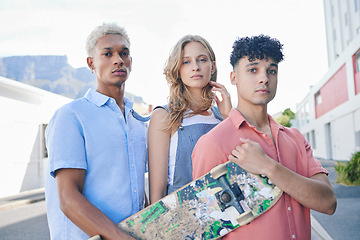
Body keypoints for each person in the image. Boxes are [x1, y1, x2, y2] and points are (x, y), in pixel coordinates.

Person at [192, 34, 337, 240]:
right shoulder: (213, 143)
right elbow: (204, 229)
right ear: (233, 77)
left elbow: (328, 203)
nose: (264, 78)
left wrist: (268, 167)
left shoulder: (294, 138)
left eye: (271, 71)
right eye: (253, 69)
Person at [45, 23, 148, 240]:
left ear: (131, 62)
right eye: (107, 54)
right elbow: (68, 198)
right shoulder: (71, 116)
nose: (118, 59)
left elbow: (138, 192)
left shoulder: (138, 124)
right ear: (91, 63)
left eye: (124, 53)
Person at [148, 35, 232, 203]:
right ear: (178, 70)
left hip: (226, 219)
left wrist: (230, 118)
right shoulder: (165, 116)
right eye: (186, 62)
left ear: (213, 66)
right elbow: (156, 195)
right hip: (182, 219)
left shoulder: (224, 117)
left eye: (202, 60)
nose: (195, 67)